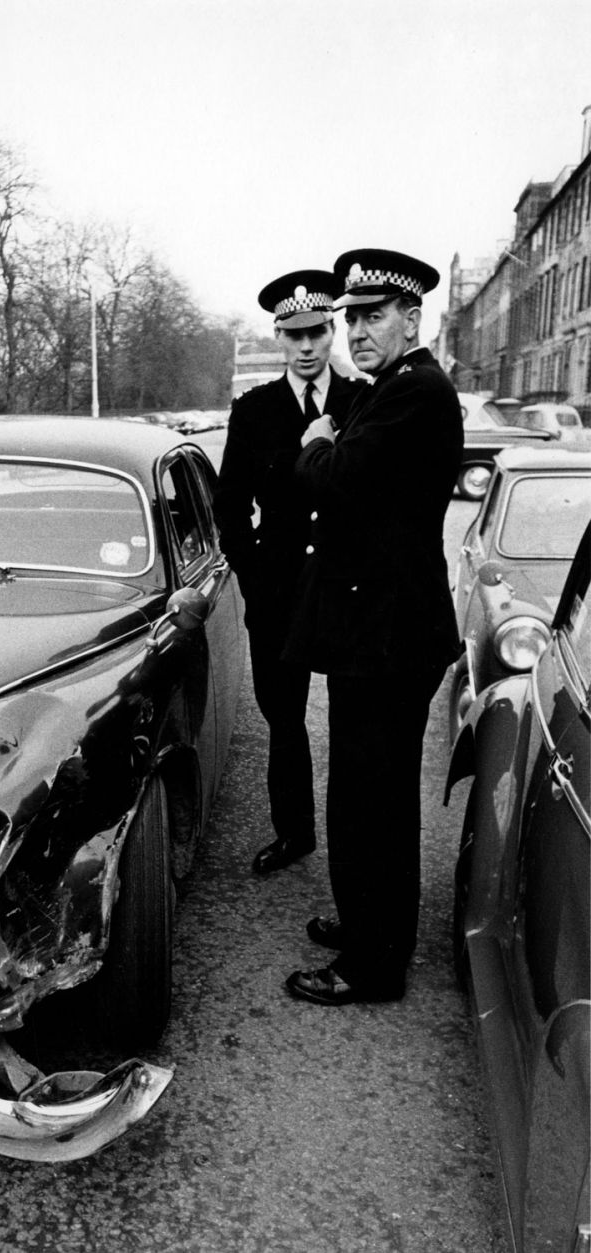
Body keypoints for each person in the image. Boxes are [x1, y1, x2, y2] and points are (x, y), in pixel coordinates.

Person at [281, 248, 463, 1006]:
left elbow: (333, 479)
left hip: (387, 638)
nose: (355, 330)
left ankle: (372, 964)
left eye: (372, 315)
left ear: (411, 318)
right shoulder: (392, 387)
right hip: (381, 629)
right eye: (349, 317)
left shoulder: (413, 393)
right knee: (370, 795)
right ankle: (369, 926)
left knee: (371, 802)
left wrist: (315, 440)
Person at [213, 270, 365, 875]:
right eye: (294, 334)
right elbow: (229, 504)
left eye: (318, 332)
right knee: (284, 719)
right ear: (279, 336)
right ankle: (294, 832)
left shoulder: (361, 401)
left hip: (346, 587)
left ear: (333, 333)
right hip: (277, 590)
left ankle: (353, 855)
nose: (307, 347)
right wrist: (252, 570)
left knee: (355, 724)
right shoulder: (254, 411)